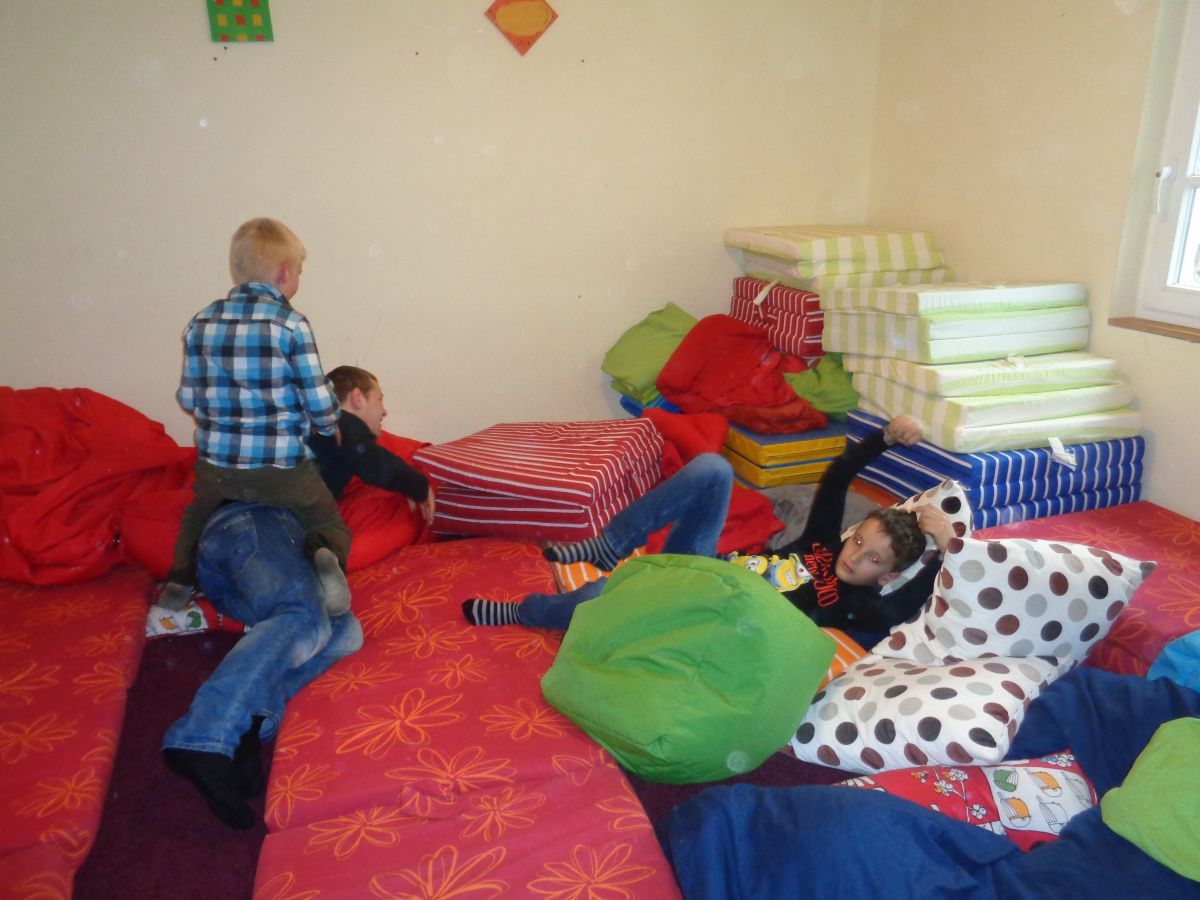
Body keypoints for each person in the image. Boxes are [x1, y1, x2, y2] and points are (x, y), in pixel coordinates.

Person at [462, 415, 955, 637]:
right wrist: (884, 437)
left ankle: (523, 612)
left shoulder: (856, 606)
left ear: (888, 575)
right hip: (703, 566)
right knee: (713, 468)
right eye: (859, 540)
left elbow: (901, 611)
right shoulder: (825, 543)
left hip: (704, 605)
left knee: (601, 596)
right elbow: (838, 475)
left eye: (872, 559)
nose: (855, 555)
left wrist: (948, 548)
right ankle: (612, 543)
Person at [161, 218, 352, 616]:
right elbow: (317, 399)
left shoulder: (201, 322)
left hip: (218, 467)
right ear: (284, 273)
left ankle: (180, 578)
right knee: (326, 517)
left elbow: (189, 397)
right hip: (282, 469)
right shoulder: (292, 324)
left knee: (196, 516)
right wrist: (330, 424)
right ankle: (325, 554)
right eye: (299, 271)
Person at [162, 502, 364, 830]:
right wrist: (409, 483)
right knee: (304, 615)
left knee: (346, 631)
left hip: (243, 575)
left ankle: (251, 722)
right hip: (252, 523)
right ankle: (202, 735)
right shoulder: (283, 480)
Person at [310, 365, 435, 524]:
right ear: (358, 398)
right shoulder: (343, 423)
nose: (384, 411)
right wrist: (419, 486)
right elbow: (373, 461)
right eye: (379, 399)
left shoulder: (319, 427)